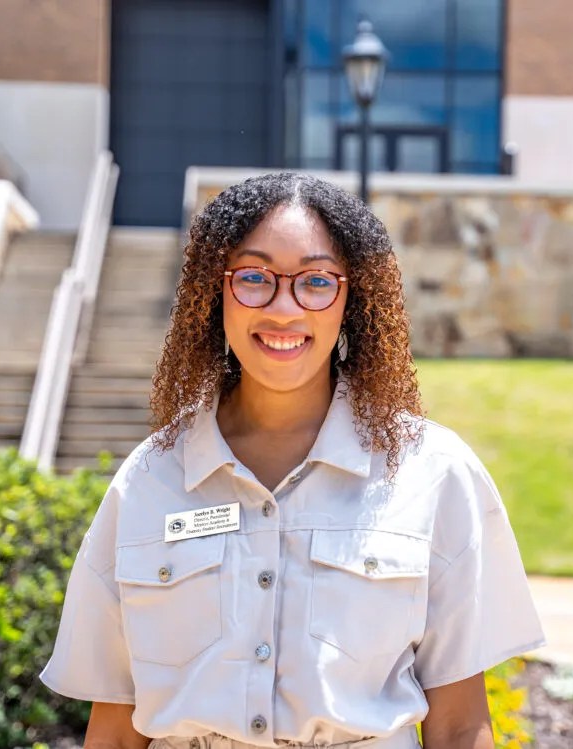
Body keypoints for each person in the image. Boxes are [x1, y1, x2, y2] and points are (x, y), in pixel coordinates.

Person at [40, 173, 545, 749]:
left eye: (315, 281)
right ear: (215, 291)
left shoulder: (433, 473)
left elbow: (458, 725)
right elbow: (115, 726)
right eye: (253, 277)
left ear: (352, 299)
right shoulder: (150, 480)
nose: (284, 308)